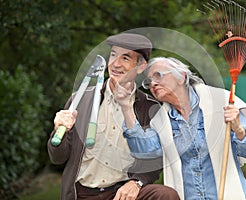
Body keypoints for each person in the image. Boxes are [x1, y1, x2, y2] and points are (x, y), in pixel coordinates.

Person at [113, 57, 246, 200]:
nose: (153, 84)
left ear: (181, 77)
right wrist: (126, 107)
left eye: (158, 76)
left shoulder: (219, 101)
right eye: (149, 82)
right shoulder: (160, 121)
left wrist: (239, 129)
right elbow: (147, 151)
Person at [47, 34, 180, 200]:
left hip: (121, 194)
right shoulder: (80, 100)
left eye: (125, 58)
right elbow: (57, 158)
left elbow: (154, 159)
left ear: (140, 66)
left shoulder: (150, 108)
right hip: (82, 194)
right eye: (113, 55)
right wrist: (59, 131)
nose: (116, 64)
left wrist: (137, 182)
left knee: (165, 195)